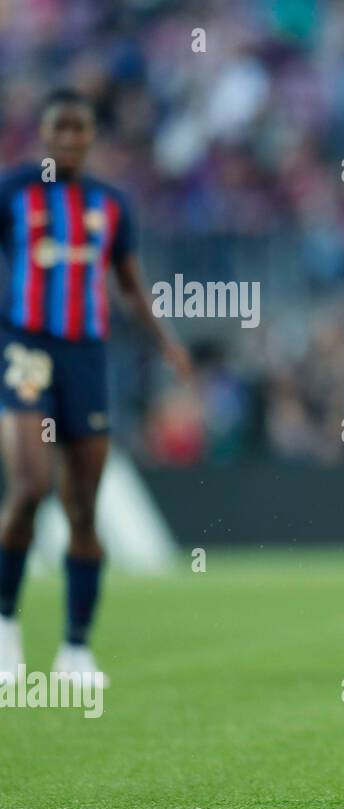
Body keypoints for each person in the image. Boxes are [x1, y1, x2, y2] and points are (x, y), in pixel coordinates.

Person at [0, 89, 191, 689]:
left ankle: (76, 650)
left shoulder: (111, 204)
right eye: (60, 129)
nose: (70, 140)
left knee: (84, 505)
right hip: (26, 348)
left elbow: (130, 284)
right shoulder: (14, 191)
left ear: (91, 137)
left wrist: (165, 341)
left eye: (80, 130)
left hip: (87, 357)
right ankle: (5, 627)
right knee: (30, 484)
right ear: (44, 133)